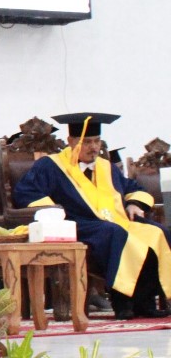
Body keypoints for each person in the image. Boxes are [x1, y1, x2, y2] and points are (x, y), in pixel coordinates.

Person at [13, 112, 171, 320]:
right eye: (87, 142)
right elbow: (25, 193)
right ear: (71, 141)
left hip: (113, 221)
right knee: (115, 233)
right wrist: (54, 212)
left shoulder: (106, 167)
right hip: (76, 223)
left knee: (157, 232)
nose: (94, 147)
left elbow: (132, 188)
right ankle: (122, 302)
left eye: (97, 141)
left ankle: (145, 302)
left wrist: (134, 203)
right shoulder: (51, 166)